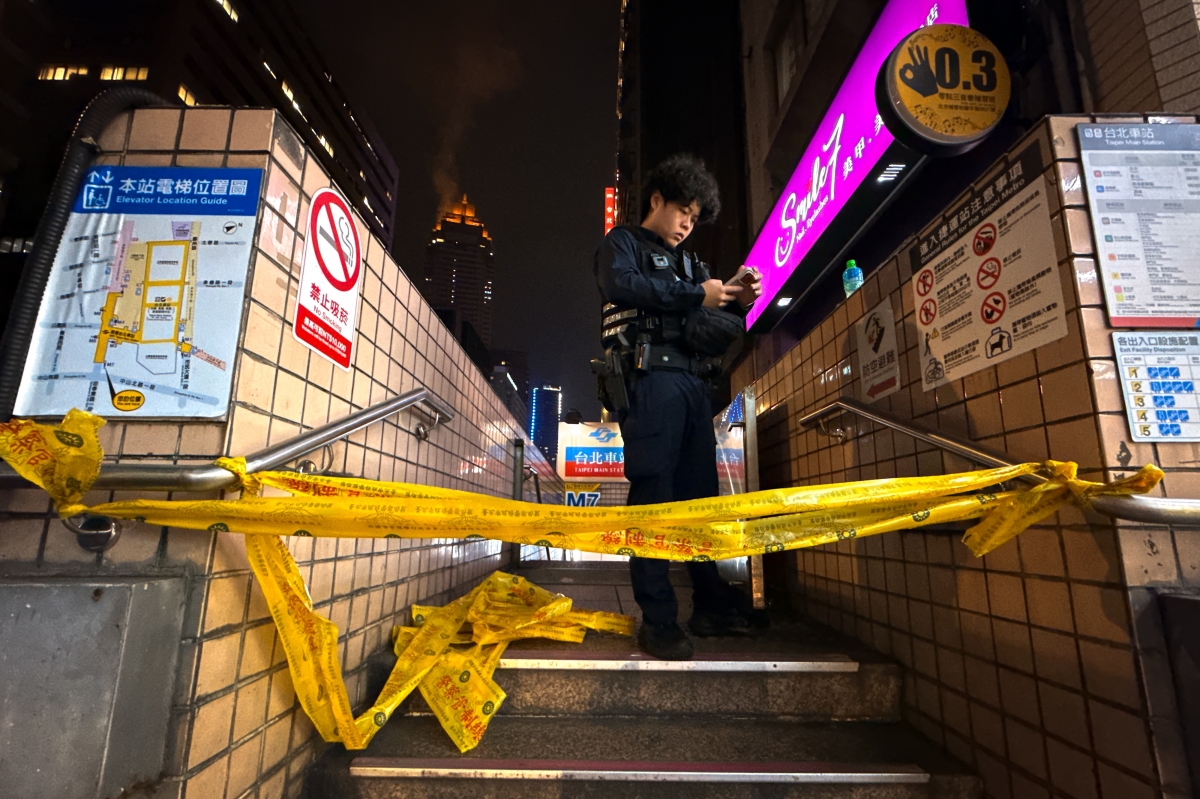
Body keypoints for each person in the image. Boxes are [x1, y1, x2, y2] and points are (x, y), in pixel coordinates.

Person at [593, 154, 762, 660]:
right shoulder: (621, 244)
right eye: (681, 210)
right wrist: (697, 296)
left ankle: (710, 607)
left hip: (691, 385)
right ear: (657, 200)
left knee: (698, 499)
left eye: (695, 215)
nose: (687, 223)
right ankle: (659, 619)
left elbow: (710, 313)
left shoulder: (694, 265)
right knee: (655, 494)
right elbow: (620, 285)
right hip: (648, 379)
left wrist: (737, 299)